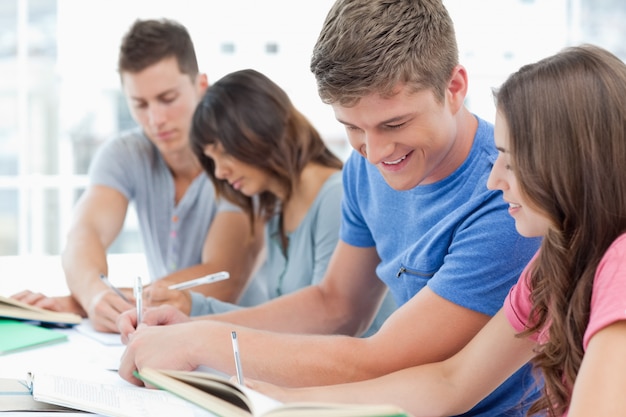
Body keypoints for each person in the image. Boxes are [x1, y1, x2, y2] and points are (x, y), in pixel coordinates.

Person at [117, 1, 541, 415]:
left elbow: (384, 359)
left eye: (394, 124)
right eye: (352, 127)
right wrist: (191, 327)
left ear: (454, 88)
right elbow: (334, 306)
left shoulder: (507, 199)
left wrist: (200, 342)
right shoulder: (364, 170)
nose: (374, 153)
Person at [247, 44, 626, 417]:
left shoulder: (620, 266)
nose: (494, 180)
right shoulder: (553, 266)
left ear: (571, 165)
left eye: (510, 162)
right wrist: (285, 399)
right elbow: (450, 382)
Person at [11, 18, 262, 333]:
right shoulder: (125, 154)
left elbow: (223, 277)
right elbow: (84, 233)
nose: (155, 119)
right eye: (140, 104)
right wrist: (93, 295)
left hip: (240, 336)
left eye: (168, 99)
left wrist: (78, 302)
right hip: (167, 334)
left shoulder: (238, 159)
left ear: (201, 86)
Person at [147, 68, 392, 334]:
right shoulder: (276, 210)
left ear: (258, 129)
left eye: (222, 153)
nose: (219, 172)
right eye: (211, 160)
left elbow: (325, 325)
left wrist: (197, 321)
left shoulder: (336, 198)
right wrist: (191, 307)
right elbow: (282, 321)